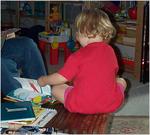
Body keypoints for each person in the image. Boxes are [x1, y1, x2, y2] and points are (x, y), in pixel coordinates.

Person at [38, 8, 127, 114]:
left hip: (81, 104)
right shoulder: (111, 51)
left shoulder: (78, 55)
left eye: (77, 32)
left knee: (56, 88)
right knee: (122, 81)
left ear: (83, 33)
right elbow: (113, 74)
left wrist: (44, 80)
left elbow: (60, 78)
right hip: (110, 104)